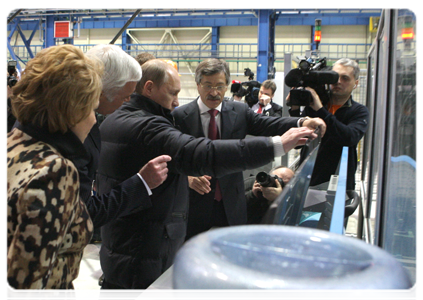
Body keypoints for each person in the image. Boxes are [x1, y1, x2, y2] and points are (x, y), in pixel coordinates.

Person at [96, 59, 320, 299]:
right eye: (173, 93)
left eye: (221, 86)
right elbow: (202, 153)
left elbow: (264, 123)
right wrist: (276, 145)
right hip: (148, 243)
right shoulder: (160, 122)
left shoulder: (114, 120)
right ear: (149, 88)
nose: (175, 101)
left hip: (125, 241)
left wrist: (299, 123)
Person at [172, 58, 326, 241]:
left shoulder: (239, 112)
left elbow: (269, 124)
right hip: (193, 205)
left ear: (227, 85)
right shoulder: (180, 117)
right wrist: (187, 177)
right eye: (208, 85)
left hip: (232, 204)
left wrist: (302, 122)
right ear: (198, 85)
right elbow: (171, 158)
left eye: (220, 86)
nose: (214, 92)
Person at [5, 44, 103, 299]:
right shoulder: (54, 171)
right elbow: (26, 288)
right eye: (92, 108)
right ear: (73, 110)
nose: (94, 119)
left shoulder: (9, 144)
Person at [75, 46, 170, 245]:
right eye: (126, 95)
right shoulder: (77, 129)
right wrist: (141, 182)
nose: (128, 101)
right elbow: (84, 213)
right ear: (103, 90)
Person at [288, 58, 370, 190]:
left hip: (339, 185)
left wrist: (320, 110)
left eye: (345, 78)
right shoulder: (314, 105)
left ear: (356, 83)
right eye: (335, 77)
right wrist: (295, 109)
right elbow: (298, 143)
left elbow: (349, 137)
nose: (338, 82)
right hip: (308, 180)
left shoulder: (359, 111)